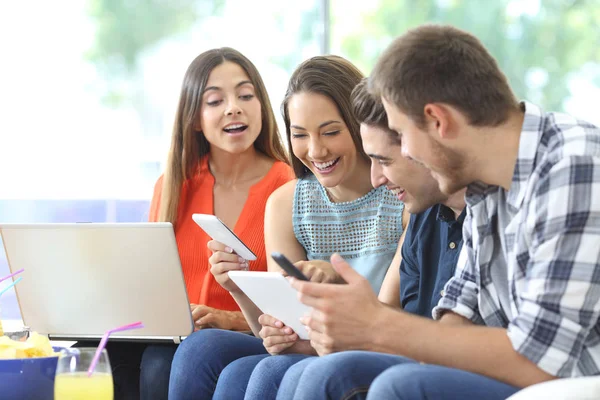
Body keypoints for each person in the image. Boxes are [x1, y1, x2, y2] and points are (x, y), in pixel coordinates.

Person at [286, 24, 600, 400]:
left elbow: (540, 360)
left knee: (399, 388)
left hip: (570, 384)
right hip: (523, 373)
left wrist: (376, 324)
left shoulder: (574, 166)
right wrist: (360, 325)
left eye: (402, 136)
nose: (409, 156)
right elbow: (456, 313)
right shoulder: (485, 186)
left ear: (438, 121)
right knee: (335, 374)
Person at [168, 56, 407, 400]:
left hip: (366, 345)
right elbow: (277, 327)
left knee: (264, 370)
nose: (316, 150)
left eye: (331, 132)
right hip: (310, 347)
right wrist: (241, 289)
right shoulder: (287, 203)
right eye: (299, 135)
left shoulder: (400, 197)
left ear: (360, 125)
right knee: (205, 352)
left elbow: (388, 321)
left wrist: (333, 288)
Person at [81, 47, 292, 400]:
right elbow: (150, 289)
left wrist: (227, 319)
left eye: (245, 95)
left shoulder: (288, 189)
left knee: (161, 364)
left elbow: (290, 311)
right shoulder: (172, 187)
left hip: (239, 339)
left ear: (261, 106)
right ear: (194, 118)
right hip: (174, 336)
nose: (233, 107)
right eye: (215, 100)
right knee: (96, 351)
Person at [254, 77, 467, 399]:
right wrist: (309, 338)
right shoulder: (425, 215)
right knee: (258, 365)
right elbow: (396, 320)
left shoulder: (412, 206)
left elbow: (432, 337)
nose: (377, 178)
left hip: (433, 364)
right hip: (400, 353)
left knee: (328, 375)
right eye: (300, 134)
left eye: (383, 160)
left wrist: (349, 317)